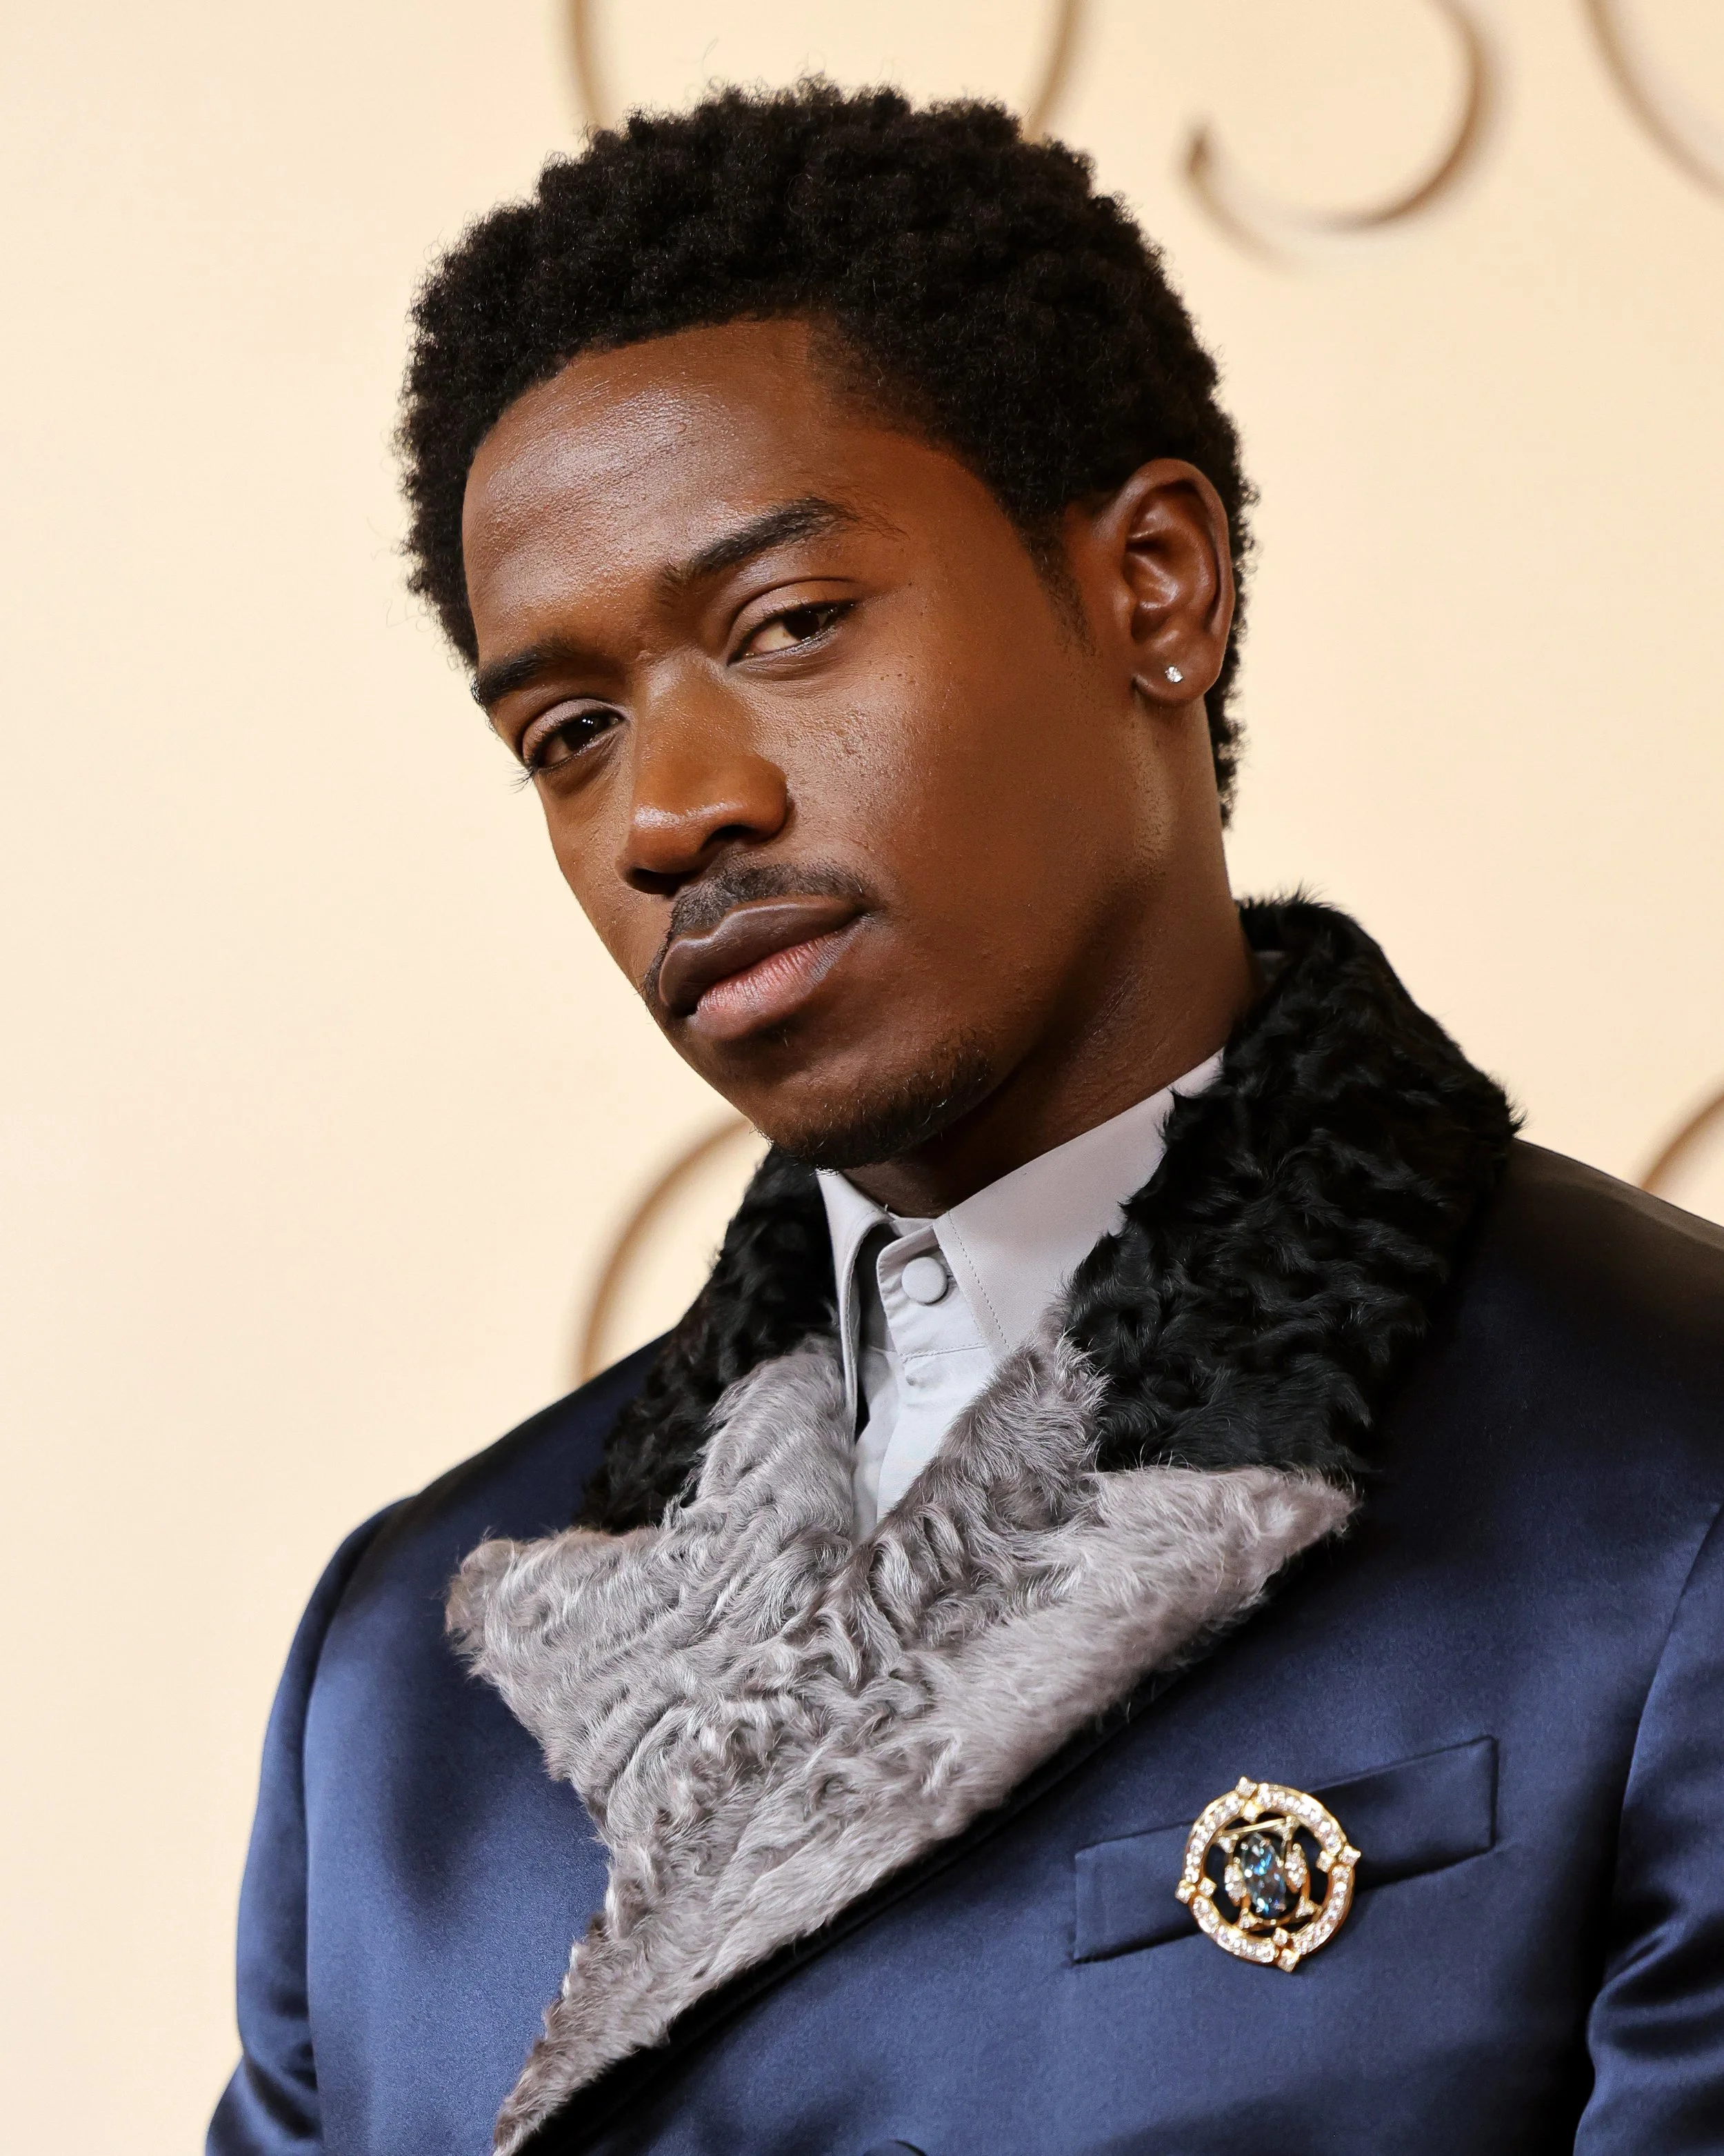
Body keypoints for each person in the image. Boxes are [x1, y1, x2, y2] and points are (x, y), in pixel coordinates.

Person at [210, 84, 1724, 2156]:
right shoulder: (399, 1683)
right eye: (566, 734)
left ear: (1155, 590)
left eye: (789, 627)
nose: (671, 812)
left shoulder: (1659, 1473)